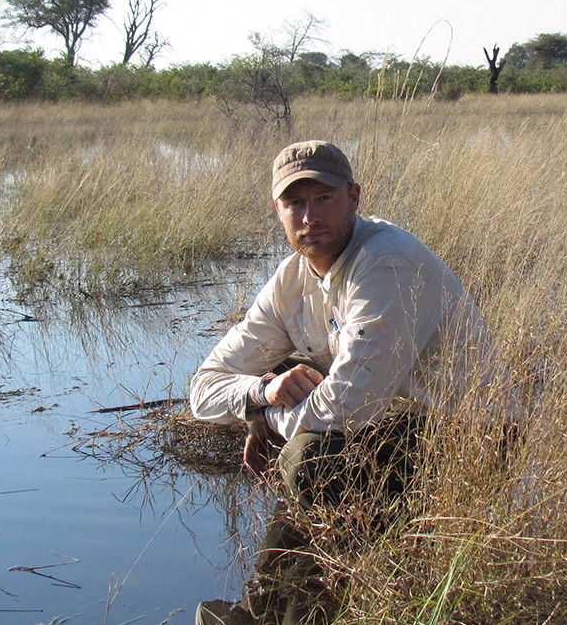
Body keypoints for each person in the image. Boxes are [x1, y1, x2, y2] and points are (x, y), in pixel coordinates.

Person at [189, 140, 505, 505]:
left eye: (323, 198)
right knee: (281, 375)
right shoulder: (290, 280)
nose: (309, 217)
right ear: (278, 210)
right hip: (390, 421)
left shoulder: (387, 262)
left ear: (353, 197)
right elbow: (204, 388)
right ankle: (308, 550)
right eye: (295, 203)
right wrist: (261, 393)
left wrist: (268, 415)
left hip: (467, 436)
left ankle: (376, 549)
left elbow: (349, 406)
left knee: (307, 459)